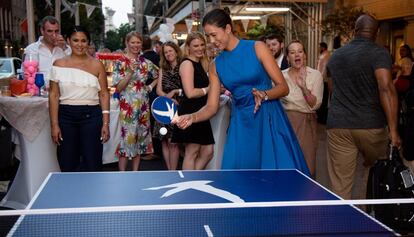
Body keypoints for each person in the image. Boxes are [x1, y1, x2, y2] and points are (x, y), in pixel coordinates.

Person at [174, 9, 309, 174]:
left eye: (214, 35)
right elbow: (211, 107)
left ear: (228, 29)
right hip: (241, 124)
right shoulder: (215, 65)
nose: (211, 41)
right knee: (240, 179)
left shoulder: (257, 48)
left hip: (268, 118)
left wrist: (265, 95)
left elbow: (283, 87)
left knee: (274, 177)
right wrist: (192, 117)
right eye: (208, 36)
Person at [326, 14, 401, 199]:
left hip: (339, 126)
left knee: (340, 184)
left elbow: (332, 89)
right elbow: (386, 89)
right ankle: (370, 214)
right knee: (376, 173)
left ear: (354, 31)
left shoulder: (336, 56)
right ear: (376, 34)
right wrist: (393, 130)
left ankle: (341, 222)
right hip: (371, 126)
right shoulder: (379, 53)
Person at [48, 26, 110, 172]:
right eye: (76, 40)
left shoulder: (97, 64)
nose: (80, 44)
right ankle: (70, 194)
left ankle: (94, 193)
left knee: (93, 162)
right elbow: (54, 95)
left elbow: (104, 94)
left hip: (92, 116)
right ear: (68, 41)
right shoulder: (58, 64)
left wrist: (106, 123)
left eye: (84, 41)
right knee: (67, 162)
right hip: (66, 117)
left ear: (88, 43)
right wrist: (54, 125)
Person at [112, 31, 159, 171]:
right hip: (128, 107)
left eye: (138, 42)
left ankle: (135, 173)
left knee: (139, 140)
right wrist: (130, 72)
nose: (136, 45)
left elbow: (158, 74)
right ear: (127, 43)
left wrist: (150, 86)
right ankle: (122, 175)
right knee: (126, 139)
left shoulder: (146, 62)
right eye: (133, 42)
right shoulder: (120, 62)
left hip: (143, 106)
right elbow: (118, 88)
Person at [171, 32, 214, 170]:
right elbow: (190, 93)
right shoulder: (187, 64)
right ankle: (189, 182)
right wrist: (210, 89)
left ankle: (192, 178)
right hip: (190, 110)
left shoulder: (200, 63)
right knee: (192, 151)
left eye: (202, 45)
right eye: (196, 45)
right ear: (188, 47)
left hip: (201, 110)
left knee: (208, 151)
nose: (200, 48)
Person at [281, 40, 324, 177]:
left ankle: (306, 196)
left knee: (306, 165)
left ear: (305, 55)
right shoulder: (281, 76)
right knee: (286, 163)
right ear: (287, 58)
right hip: (285, 123)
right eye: (292, 53)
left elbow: (315, 105)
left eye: (300, 51)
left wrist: (303, 87)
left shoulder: (315, 75)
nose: (297, 55)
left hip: (306, 123)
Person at [154, 41, 183, 170]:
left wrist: (175, 92)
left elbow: (187, 89)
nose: (168, 54)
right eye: (166, 52)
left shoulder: (184, 66)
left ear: (176, 51)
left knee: (174, 142)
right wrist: (168, 99)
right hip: (163, 107)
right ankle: (169, 171)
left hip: (179, 107)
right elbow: (158, 90)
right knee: (164, 140)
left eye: (170, 51)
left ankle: (173, 172)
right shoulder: (162, 69)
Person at [24, 16, 70, 84]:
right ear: (42, 31)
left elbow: (76, 66)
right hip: (39, 91)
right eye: (50, 31)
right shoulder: (32, 49)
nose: (54, 35)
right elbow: (27, 75)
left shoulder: (65, 48)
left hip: (62, 91)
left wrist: (64, 48)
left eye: (56, 31)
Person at [316, 42, 331, 124]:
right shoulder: (325, 55)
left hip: (323, 81)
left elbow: (324, 70)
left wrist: (319, 80)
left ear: (323, 47)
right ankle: (321, 118)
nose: (318, 49)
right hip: (323, 80)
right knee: (323, 100)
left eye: (319, 47)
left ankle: (322, 119)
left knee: (323, 100)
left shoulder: (325, 56)